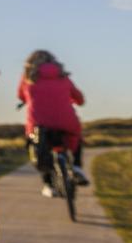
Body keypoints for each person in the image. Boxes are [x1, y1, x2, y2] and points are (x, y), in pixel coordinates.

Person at [18, 49, 87, 194]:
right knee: (76, 135)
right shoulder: (62, 76)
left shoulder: (28, 77)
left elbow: (20, 95)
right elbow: (79, 98)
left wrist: (29, 98)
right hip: (66, 121)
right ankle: (76, 166)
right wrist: (76, 101)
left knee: (39, 147)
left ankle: (48, 184)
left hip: (39, 124)